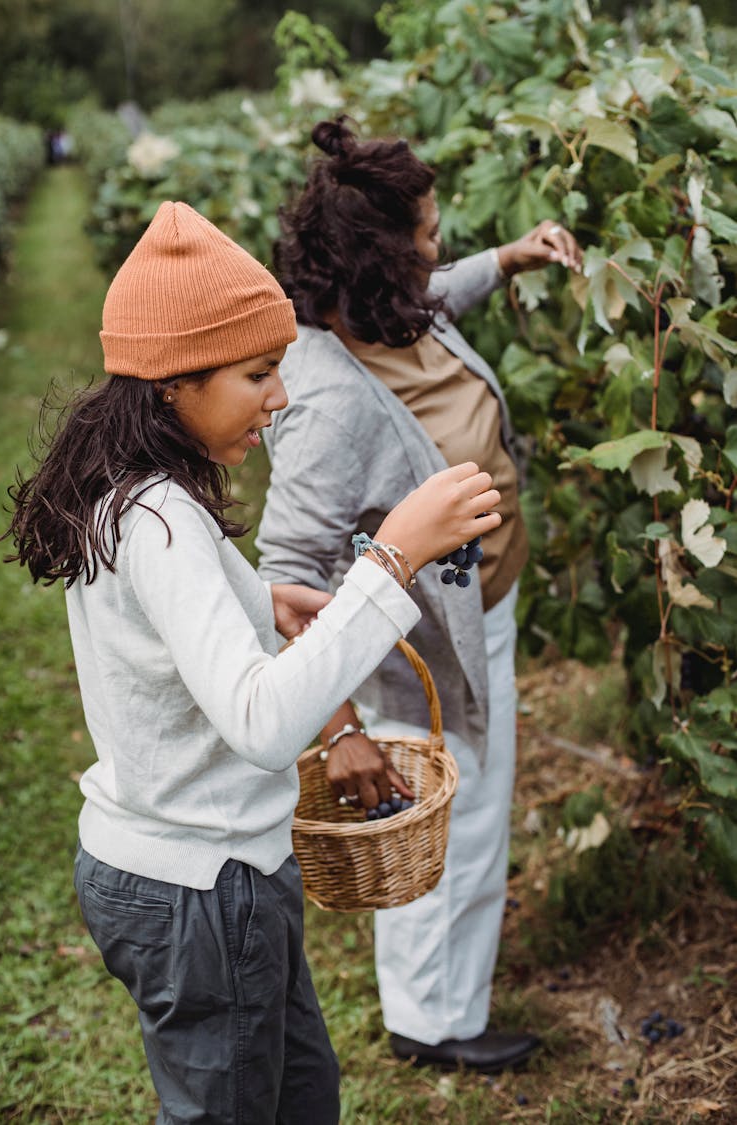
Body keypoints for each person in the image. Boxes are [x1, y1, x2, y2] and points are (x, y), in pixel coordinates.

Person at [3, 200, 503, 1123]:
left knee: (301, 1092)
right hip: (201, 887)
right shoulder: (160, 522)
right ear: (170, 382)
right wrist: (388, 562)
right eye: (258, 373)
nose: (279, 399)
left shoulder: (138, 498)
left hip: (210, 875)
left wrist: (254, 602)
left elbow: (162, 632)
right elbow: (264, 723)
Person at [256, 118, 583, 1074]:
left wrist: (510, 257)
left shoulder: (394, 307)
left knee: (468, 806)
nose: (440, 248)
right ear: (380, 266)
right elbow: (290, 576)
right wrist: (339, 727)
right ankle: (434, 1024)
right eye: (427, 234)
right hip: (424, 648)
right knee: (452, 815)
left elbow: (447, 290)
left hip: (477, 610)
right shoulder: (329, 402)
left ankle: (439, 1001)